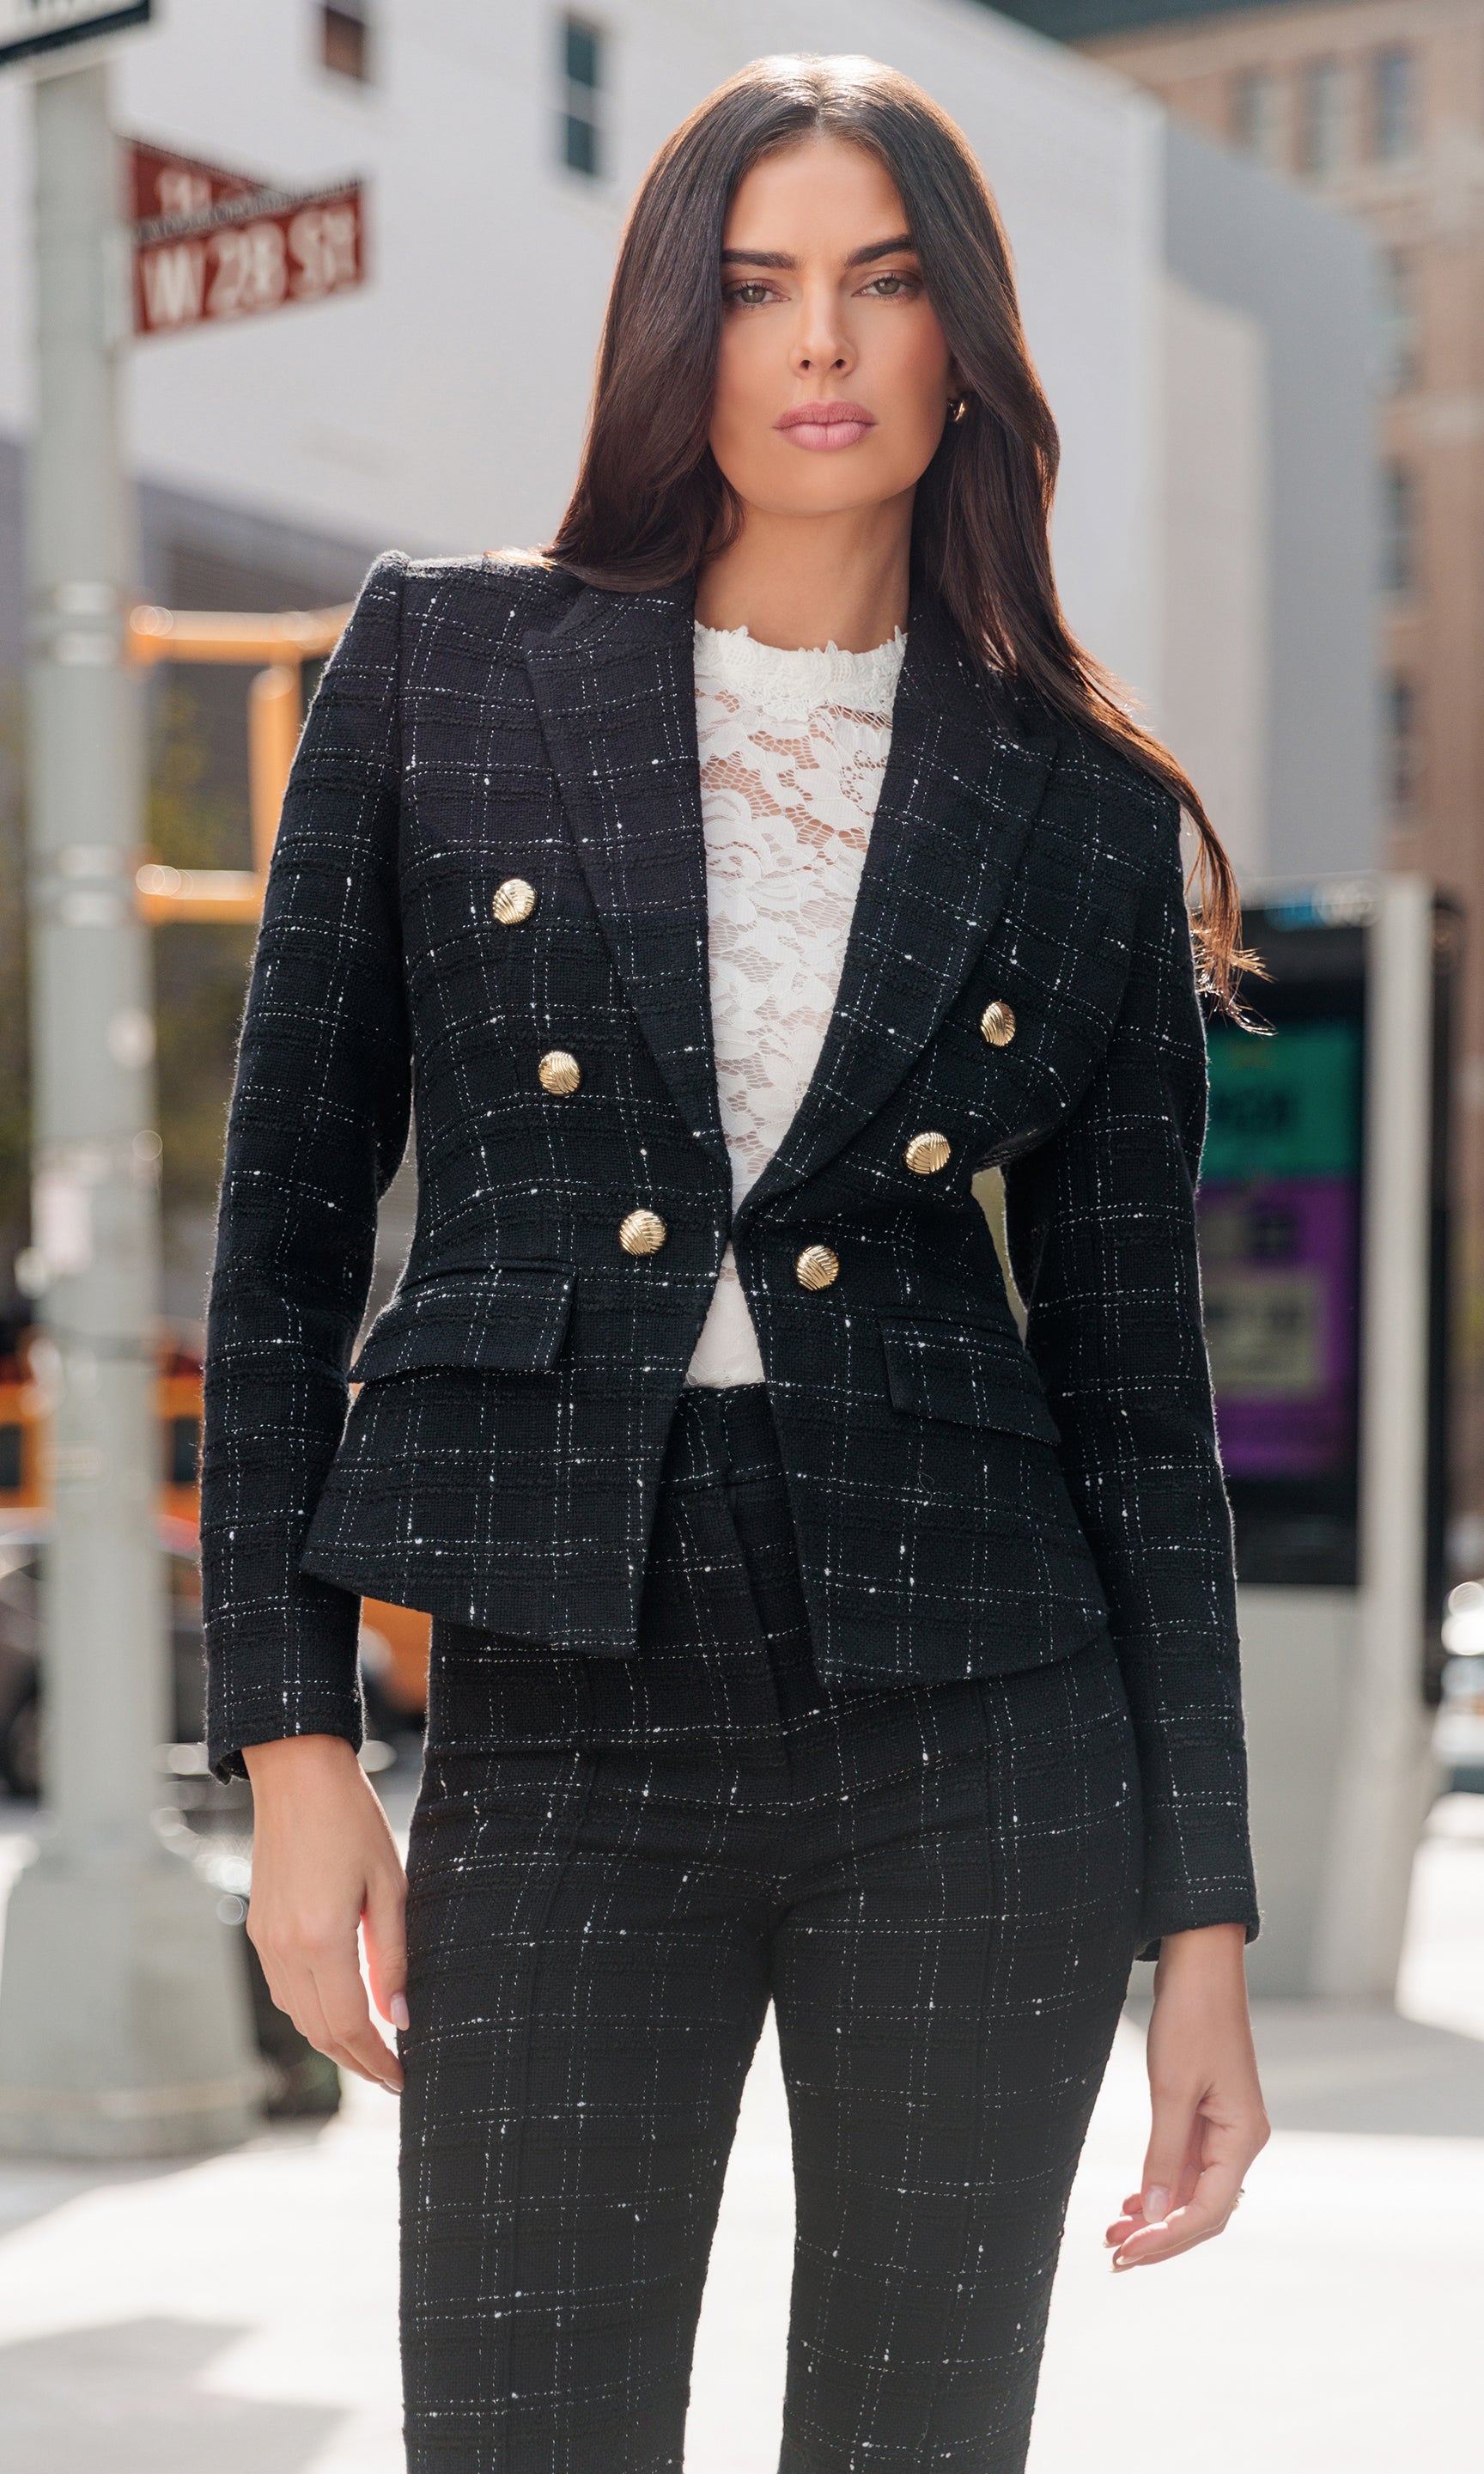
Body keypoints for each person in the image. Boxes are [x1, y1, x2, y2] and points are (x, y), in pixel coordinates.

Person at [204, 52, 1268, 2474]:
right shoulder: (447, 667)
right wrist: (292, 1751)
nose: (820, 345)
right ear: (676, 331)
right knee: (522, 2430)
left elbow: (1138, 1391)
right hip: (565, 1695)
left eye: (883, 286)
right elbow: (277, 1241)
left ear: (959, 345)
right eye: (759, 284)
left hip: (979, 1717)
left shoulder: (1079, 806)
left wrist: (1200, 1929)